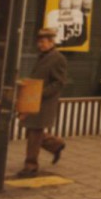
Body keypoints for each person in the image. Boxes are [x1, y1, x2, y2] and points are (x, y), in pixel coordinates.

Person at [17, 28, 67, 178]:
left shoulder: (58, 58)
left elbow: (58, 83)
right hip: (34, 100)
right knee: (32, 131)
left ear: (51, 42)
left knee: (34, 133)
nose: (40, 45)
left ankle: (30, 167)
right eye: (38, 42)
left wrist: (40, 93)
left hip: (44, 102)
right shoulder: (43, 56)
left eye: (43, 42)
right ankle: (55, 144)